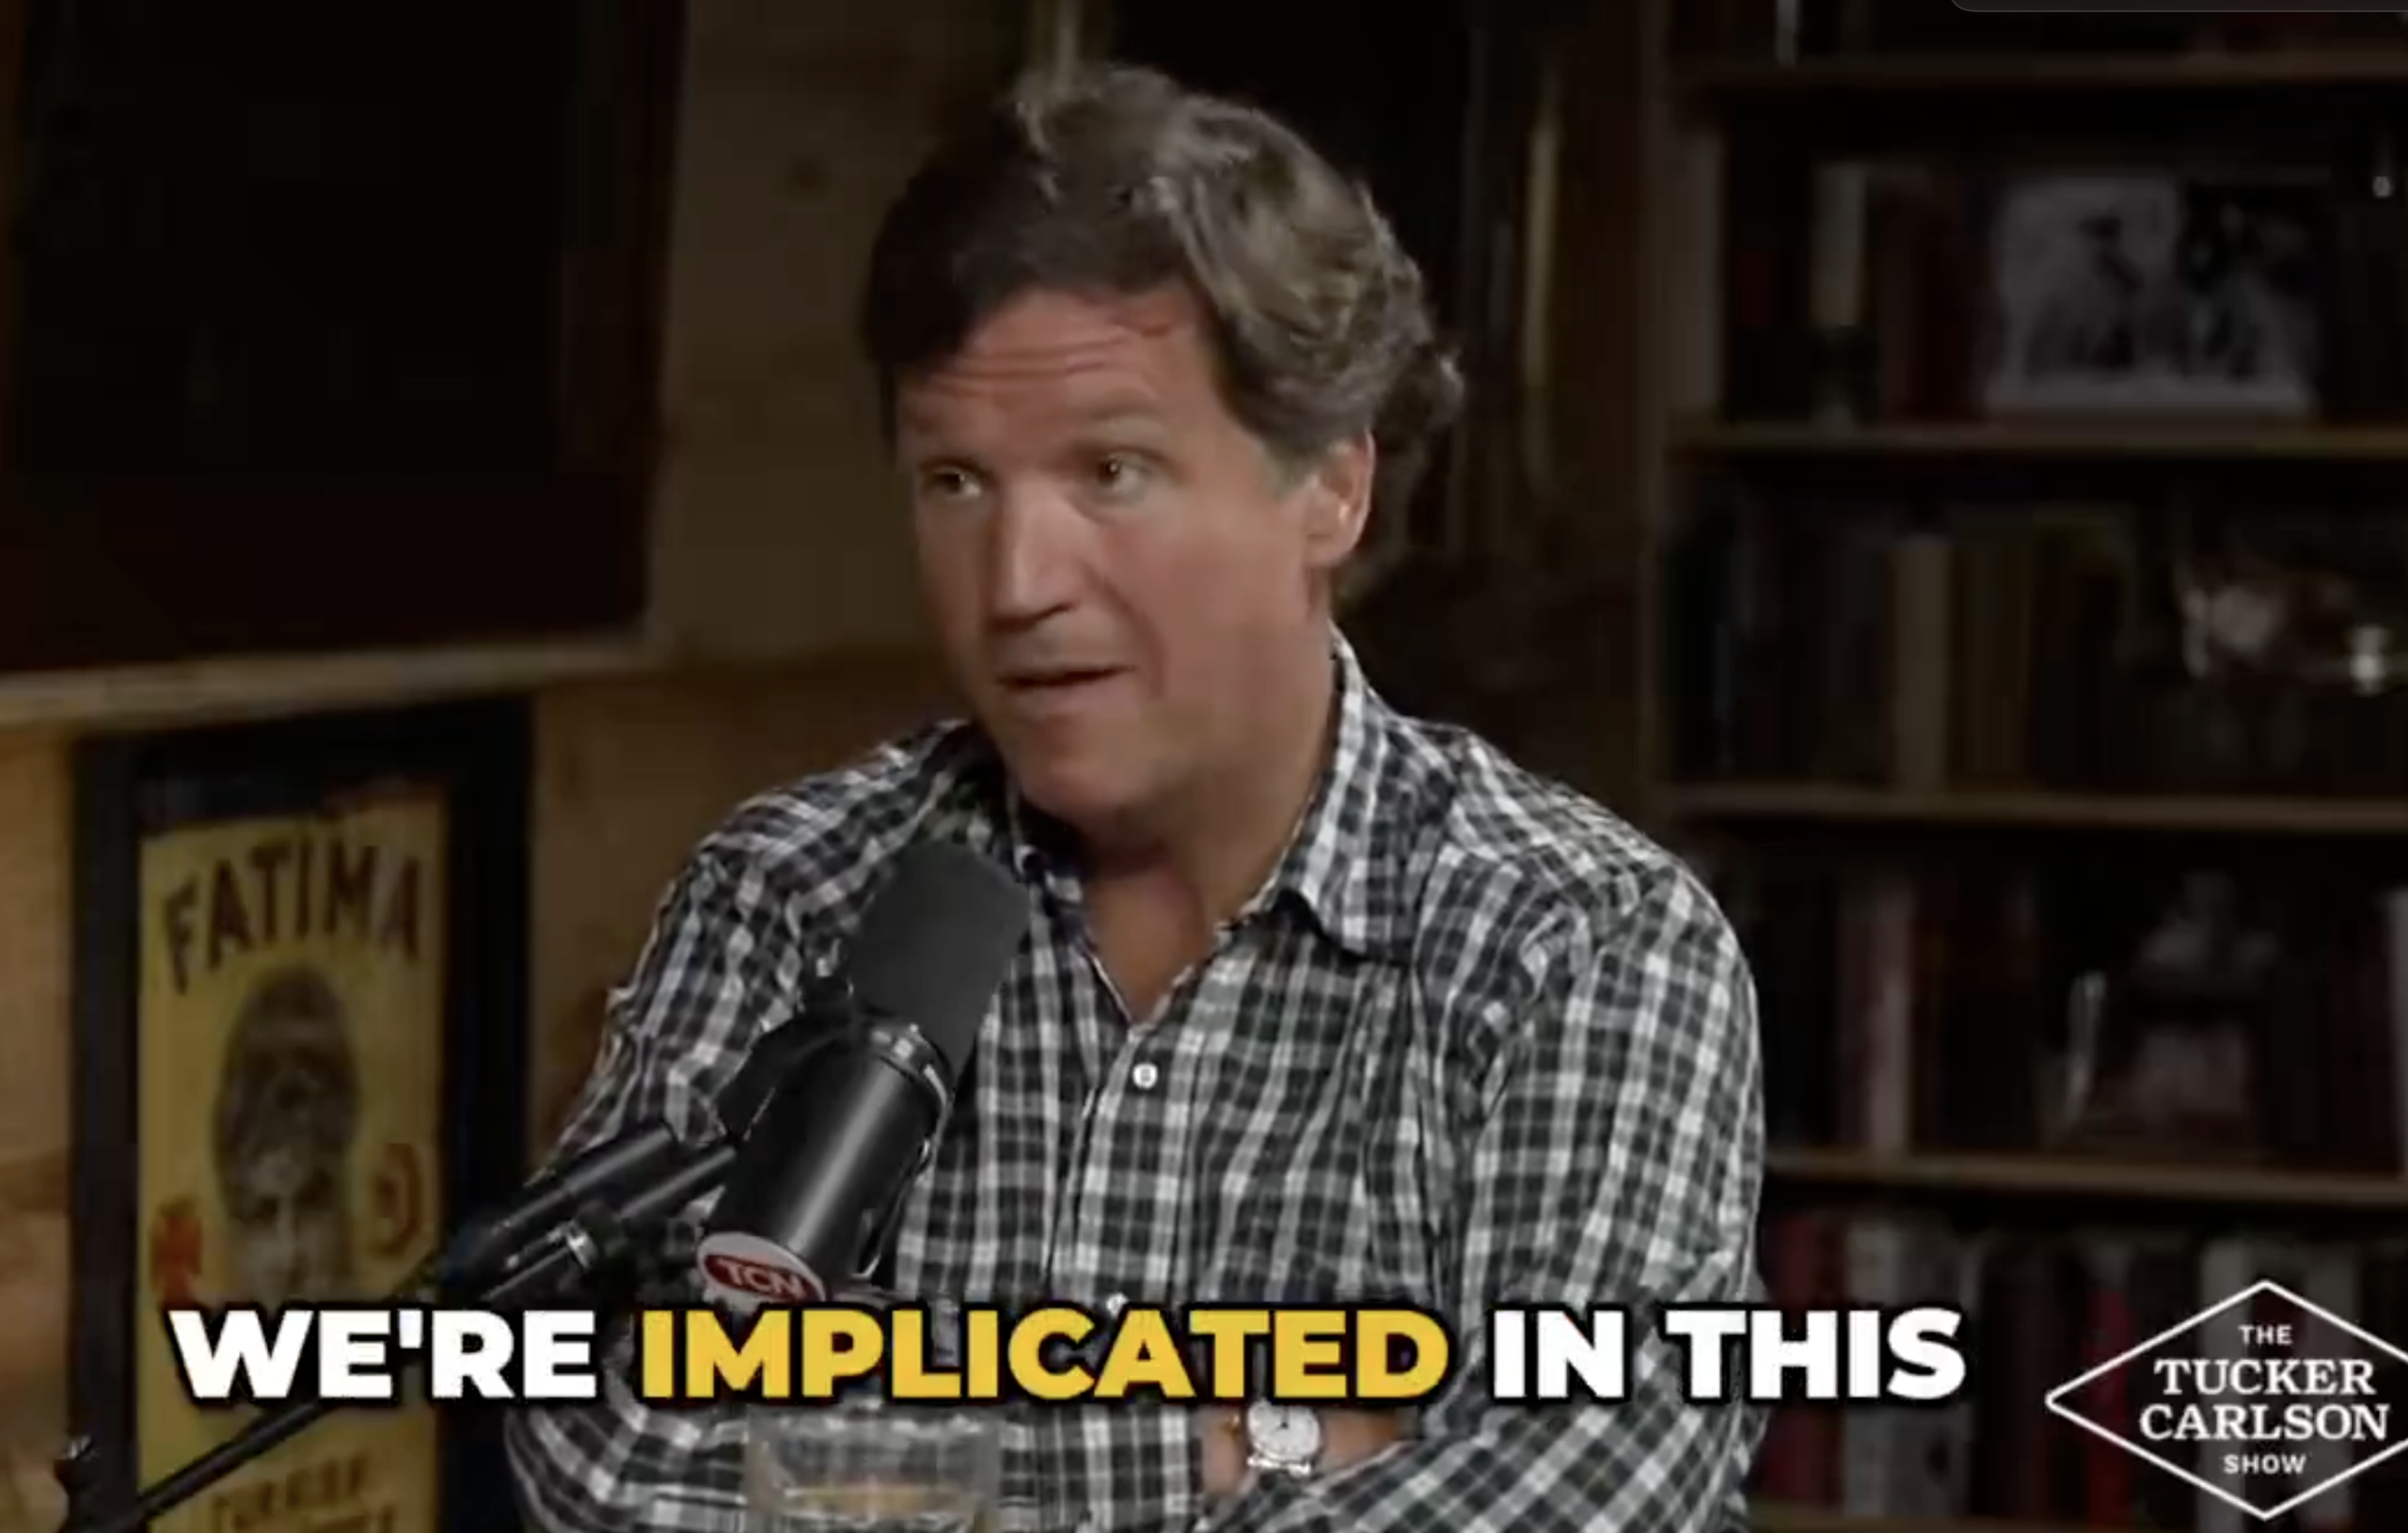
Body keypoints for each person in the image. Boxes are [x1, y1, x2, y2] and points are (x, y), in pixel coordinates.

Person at [504, 60, 1765, 1533]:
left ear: (1331, 487)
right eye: (956, 482)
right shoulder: (789, 897)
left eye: (1112, 470)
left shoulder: (1583, 941)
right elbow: (600, 1448)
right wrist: (1228, 1445)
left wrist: (885, 1465)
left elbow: (1590, 1486)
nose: (1018, 585)